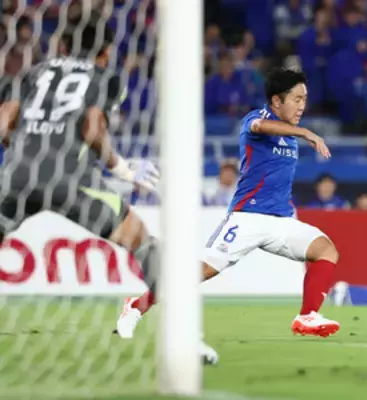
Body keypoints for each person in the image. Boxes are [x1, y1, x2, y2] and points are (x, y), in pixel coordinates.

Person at [0, 17, 220, 363]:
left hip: (15, 176)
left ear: (63, 46)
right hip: (69, 178)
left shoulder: (33, 73)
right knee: (144, 244)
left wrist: (24, 151)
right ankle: (185, 340)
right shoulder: (104, 77)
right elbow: (92, 128)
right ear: (105, 52)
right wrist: (122, 168)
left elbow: (4, 122)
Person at [118, 68, 341, 338]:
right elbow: (260, 127)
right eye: (297, 99)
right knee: (197, 273)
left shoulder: (290, 134)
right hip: (247, 218)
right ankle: (136, 306)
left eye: (304, 99)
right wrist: (305, 132)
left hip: (281, 221)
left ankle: (307, 316)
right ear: (276, 101)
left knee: (326, 250)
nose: (302, 106)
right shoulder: (256, 120)